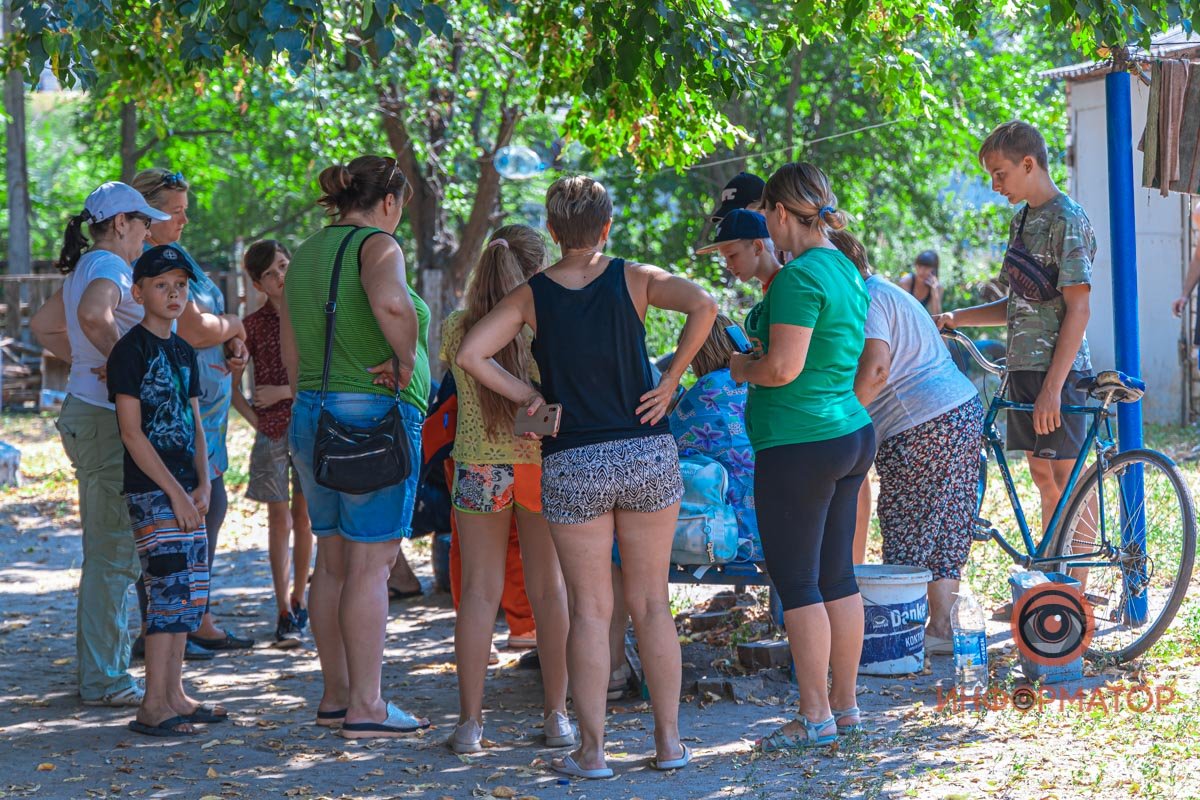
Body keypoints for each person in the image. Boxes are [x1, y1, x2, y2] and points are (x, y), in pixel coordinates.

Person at [457, 175, 717, 778]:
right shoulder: (636, 277)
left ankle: (593, 752)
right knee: (652, 604)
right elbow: (705, 304)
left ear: (551, 231)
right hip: (646, 451)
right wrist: (673, 378)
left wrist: (529, 397)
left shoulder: (530, 296)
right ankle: (670, 744)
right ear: (606, 227)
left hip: (574, 459)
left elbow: (471, 354)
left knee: (590, 610)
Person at [281, 155, 430, 738]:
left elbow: (292, 350)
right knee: (373, 567)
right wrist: (405, 358)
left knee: (334, 562)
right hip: (371, 419)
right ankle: (368, 707)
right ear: (389, 201)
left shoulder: (307, 255)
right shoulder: (378, 244)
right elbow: (392, 304)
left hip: (311, 415)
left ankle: (336, 697)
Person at [730, 163, 875, 750]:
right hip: (846, 432)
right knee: (837, 575)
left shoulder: (797, 277)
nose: (764, 225)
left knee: (798, 583)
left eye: (766, 213)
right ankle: (844, 708)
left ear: (782, 213)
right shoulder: (846, 266)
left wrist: (740, 366)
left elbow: (782, 369)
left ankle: (812, 715)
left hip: (800, 441)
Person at [934, 121, 1095, 619]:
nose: (995, 185)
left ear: (1029, 164)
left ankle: (1071, 597)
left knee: (1070, 480)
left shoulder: (1068, 218)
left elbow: (1079, 308)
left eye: (1000, 173)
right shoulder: (1023, 219)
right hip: (1021, 369)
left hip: (1059, 373)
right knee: (1044, 476)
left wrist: (1052, 388)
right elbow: (1017, 303)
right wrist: (958, 317)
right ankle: (1049, 585)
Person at [31, 182, 170, 707]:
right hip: (108, 421)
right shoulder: (109, 267)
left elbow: (45, 326)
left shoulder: (88, 265)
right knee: (113, 556)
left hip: (87, 414)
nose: (148, 233)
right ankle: (106, 679)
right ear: (120, 224)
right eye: (143, 224)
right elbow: (93, 315)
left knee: (107, 550)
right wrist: (122, 368)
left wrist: (90, 363)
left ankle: (102, 670)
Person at [442, 225, 571, 754]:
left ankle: (470, 725)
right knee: (549, 590)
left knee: (478, 593)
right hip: (538, 465)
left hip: (478, 468)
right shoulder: (547, 324)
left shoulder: (456, 326)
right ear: (536, 269)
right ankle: (557, 716)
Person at [836, 230, 984, 653]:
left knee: (908, 530)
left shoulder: (867, 298)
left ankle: (905, 636)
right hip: (958, 407)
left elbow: (877, 370)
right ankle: (940, 630)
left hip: (920, 422)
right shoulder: (889, 290)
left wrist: (842, 420)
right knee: (945, 528)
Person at [131, 168, 253, 655]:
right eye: (174, 212)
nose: (184, 219)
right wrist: (236, 322)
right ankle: (162, 628)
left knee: (210, 508)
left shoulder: (183, 259)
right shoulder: (147, 267)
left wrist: (235, 342)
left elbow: (210, 326)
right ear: (145, 215)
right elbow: (197, 330)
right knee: (178, 518)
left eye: (185, 209)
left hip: (209, 414)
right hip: (176, 413)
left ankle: (195, 616)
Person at [109, 245, 229, 736]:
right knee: (166, 591)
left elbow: (196, 423)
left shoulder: (183, 350)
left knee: (188, 594)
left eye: (181, 284)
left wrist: (202, 483)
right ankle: (152, 706)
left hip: (187, 488)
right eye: (162, 285)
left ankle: (174, 694)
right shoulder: (130, 350)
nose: (174, 292)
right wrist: (175, 494)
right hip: (153, 490)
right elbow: (132, 432)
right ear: (138, 293)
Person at [231, 240, 313, 648]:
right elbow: (235, 390)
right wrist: (259, 422)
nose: (281, 277)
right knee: (279, 520)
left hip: (310, 426)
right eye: (271, 273)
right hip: (274, 434)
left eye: (284, 266)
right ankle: (282, 607)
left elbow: (320, 379)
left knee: (306, 519)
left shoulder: (311, 315)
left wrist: (283, 392)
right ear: (257, 282)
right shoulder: (250, 325)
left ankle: (302, 599)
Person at [898, 250, 943, 314]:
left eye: (926, 268)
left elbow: (937, 316)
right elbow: (900, 310)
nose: (921, 271)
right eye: (919, 266)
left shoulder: (937, 288)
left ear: (934, 269)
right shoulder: (906, 282)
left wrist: (934, 292)